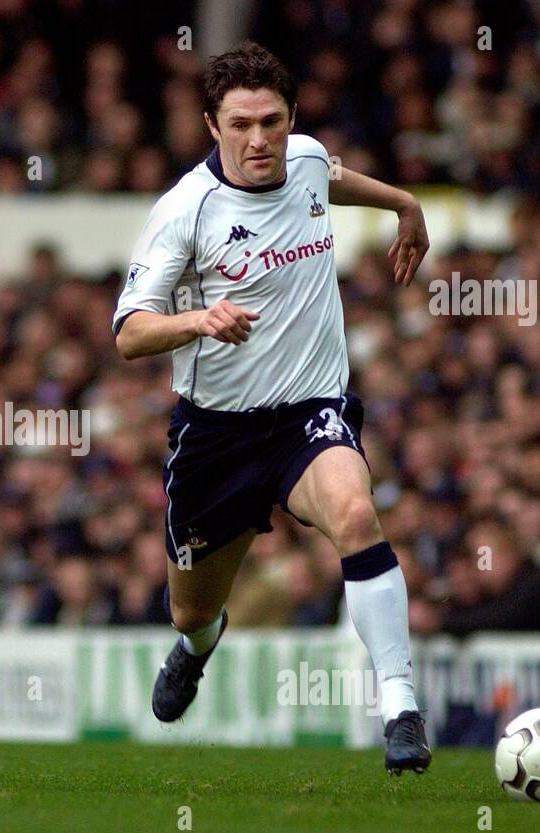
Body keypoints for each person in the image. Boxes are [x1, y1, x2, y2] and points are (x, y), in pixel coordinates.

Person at [113, 42, 431, 774]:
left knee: (355, 514)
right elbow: (129, 332)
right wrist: (198, 320)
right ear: (210, 126)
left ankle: (401, 709)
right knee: (193, 610)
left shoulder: (308, 160)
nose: (259, 140)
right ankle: (196, 649)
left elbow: (334, 179)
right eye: (241, 124)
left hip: (307, 416)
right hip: (216, 436)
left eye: (273, 122)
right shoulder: (184, 213)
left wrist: (405, 205)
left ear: (291, 120)